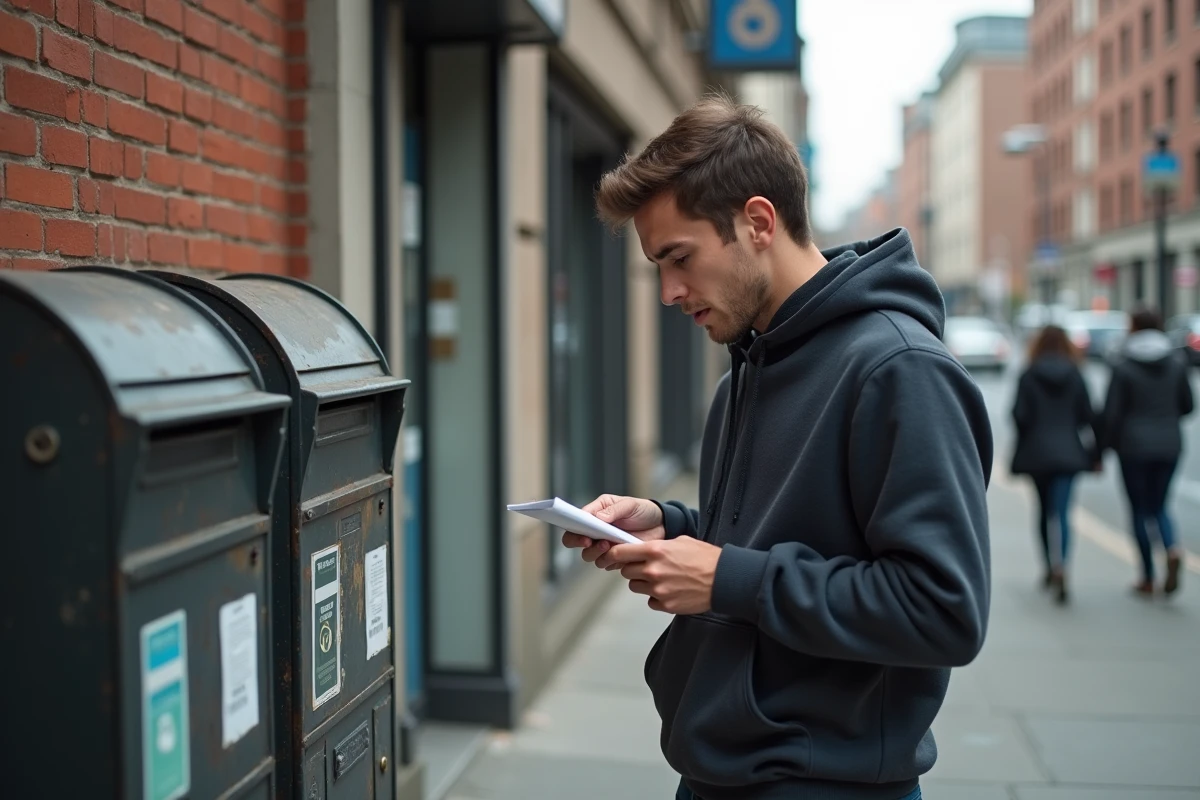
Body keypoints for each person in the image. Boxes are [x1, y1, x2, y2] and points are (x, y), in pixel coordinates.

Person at [562, 94, 992, 800]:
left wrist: (727, 578)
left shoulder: (898, 368)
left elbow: (943, 609)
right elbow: (787, 537)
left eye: (680, 258)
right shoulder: (748, 367)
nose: (669, 292)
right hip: (721, 772)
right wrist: (671, 527)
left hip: (827, 783)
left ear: (758, 222)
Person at [1101, 307, 1194, 597]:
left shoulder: (1123, 365)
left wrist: (1103, 448)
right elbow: (1188, 405)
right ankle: (1172, 547)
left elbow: (1111, 414)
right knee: (1160, 506)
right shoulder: (1177, 362)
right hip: (1169, 444)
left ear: (1133, 328)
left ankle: (1148, 576)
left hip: (1133, 447)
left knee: (1139, 510)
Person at [1009, 325, 1100, 604]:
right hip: (1069, 452)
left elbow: (1019, 415)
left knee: (1043, 511)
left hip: (1037, 453)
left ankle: (1049, 567)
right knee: (1062, 513)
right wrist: (1096, 453)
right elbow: (1088, 415)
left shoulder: (1028, 374)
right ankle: (1063, 565)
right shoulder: (1075, 374)